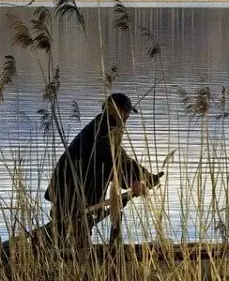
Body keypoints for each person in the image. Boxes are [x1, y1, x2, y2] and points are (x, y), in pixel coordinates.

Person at [44, 92, 160, 248]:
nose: (127, 118)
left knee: (70, 232)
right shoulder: (104, 128)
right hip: (71, 189)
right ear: (117, 110)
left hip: (69, 188)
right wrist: (134, 179)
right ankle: (70, 261)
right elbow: (112, 158)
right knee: (72, 231)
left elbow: (117, 160)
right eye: (126, 112)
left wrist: (144, 176)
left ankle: (59, 256)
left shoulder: (103, 126)